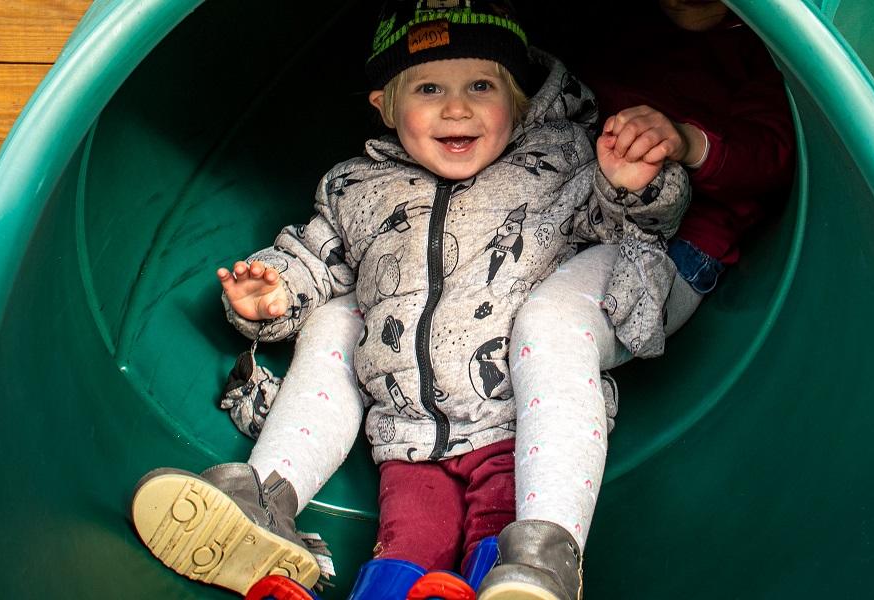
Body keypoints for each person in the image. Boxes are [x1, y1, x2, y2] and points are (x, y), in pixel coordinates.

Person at [129, 1, 690, 598]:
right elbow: (316, 257)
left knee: (498, 542)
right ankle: (269, 520)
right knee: (407, 546)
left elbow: (630, 230)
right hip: (406, 433)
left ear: (519, 99)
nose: (457, 107)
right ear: (386, 107)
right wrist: (273, 291)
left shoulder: (559, 164)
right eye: (428, 88)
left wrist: (638, 183)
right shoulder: (357, 188)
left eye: (481, 85)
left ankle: (522, 581)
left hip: (514, 425)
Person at [475, 2, 798, 598]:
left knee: (553, 324)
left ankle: (546, 553)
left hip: (665, 249)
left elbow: (775, 156)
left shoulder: (766, 46)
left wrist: (688, 142)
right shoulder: (618, 20)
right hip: (564, 211)